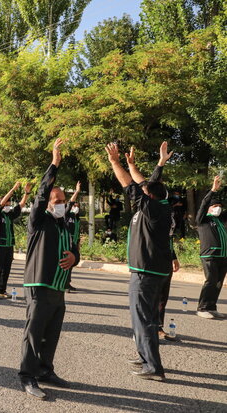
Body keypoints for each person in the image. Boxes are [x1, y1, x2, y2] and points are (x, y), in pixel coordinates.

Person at [106, 142, 173, 381]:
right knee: (149, 319)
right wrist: (159, 164)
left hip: (145, 273)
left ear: (149, 196)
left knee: (143, 319)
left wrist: (116, 162)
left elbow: (129, 185)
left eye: (144, 190)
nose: (141, 189)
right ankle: (146, 358)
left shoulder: (152, 209)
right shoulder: (159, 204)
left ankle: (153, 367)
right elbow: (150, 183)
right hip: (153, 271)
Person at [19, 139, 80, 399]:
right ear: (45, 204)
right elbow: (43, 192)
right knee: (34, 333)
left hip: (58, 287)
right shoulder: (39, 220)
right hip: (39, 285)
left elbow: (75, 248)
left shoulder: (64, 223)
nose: (61, 203)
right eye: (57, 200)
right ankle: (28, 376)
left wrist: (74, 259)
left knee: (52, 333)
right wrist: (54, 163)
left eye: (64, 200)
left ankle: (45, 370)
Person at [145, 142, 180, 340]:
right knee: (149, 297)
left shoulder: (168, 211)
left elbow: (169, 236)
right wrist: (160, 163)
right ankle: (147, 330)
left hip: (165, 258)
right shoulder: (149, 210)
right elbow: (150, 185)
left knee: (162, 298)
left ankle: (158, 327)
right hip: (149, 260)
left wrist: (174, 256)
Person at [0, 182, 31, 299]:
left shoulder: (10, 215)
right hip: (0, 244)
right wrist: (13, 188)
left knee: (7, 268)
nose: (8, 203)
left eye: (9, 202)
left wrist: (26, 193)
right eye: (6, 202)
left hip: (9, 245)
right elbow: (2, 202)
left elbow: (21, 204)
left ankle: (2, 290)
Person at [195, 175, 226, 319]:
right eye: (215, 206)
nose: (218, 209)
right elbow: (203, 203)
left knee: (218, 283)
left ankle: (211, 307)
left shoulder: (220, 220)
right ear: (209, 208)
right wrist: (213, 190)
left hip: (223, 256)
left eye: (220, 206)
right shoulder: (203, 220)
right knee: (211, 280)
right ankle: (202, 308)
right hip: (210, 255)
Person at [64, 181, 82, 292]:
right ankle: (64, 284)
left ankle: (68, 283)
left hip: (74, 243)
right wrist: (77, 191)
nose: (76, 206)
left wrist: (78, 244)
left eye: (77, 205)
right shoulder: (66, 214)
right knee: (66, 264)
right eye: (74, 205)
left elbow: (77, 232)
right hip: (67, 242)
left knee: (71, 264)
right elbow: (71, 202)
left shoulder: (77, 218)